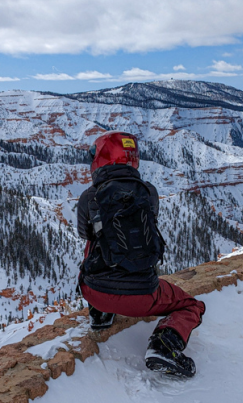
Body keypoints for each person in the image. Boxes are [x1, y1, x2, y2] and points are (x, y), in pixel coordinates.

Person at [77, 130, 206, 378]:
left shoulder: (88, 197)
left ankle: (100, 314)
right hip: (143, 297)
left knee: (95, 241)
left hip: (94, 291)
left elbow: (86, 235)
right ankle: (164, 345)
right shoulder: (149, 193)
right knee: (191, 305)